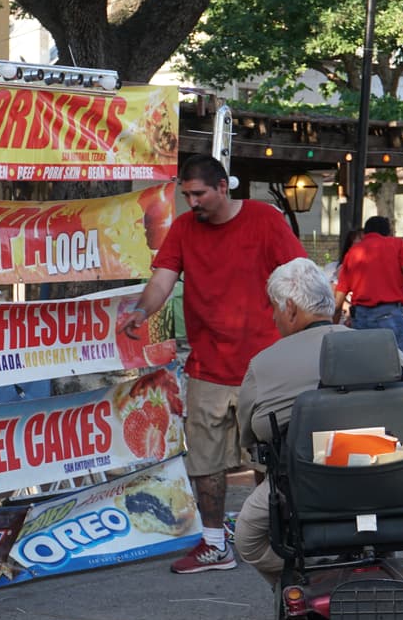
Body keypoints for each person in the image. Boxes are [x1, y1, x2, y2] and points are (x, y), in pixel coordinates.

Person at [120, 155, 307, 574]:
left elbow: (299, 275)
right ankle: (215, 545)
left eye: (198, 193)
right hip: (207, 368)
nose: (192, 202)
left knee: (269, 463)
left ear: (223, 187)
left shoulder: (265, 219)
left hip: (264, 368)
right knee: (205, 465)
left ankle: (276, 537)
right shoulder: (184, 229)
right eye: (186, 195)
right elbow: (162, 280)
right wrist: (141, 311)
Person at [234, 258, 355, 584]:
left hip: (304, 485)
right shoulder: (383, 348)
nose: (273, 317)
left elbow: (250, 435)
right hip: (390, 482)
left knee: (248, 538)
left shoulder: (265, 363)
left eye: (274, 308)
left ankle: (310, 580)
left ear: (289, 308)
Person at [333, 215, 403, 362]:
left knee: (365, 372)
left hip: (361, 319)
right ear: (389, 232)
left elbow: (338, 301)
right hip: (391, 317)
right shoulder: (397, 245)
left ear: (365, 234)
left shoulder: (353, 253)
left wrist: (333, 326)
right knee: (401, 371)